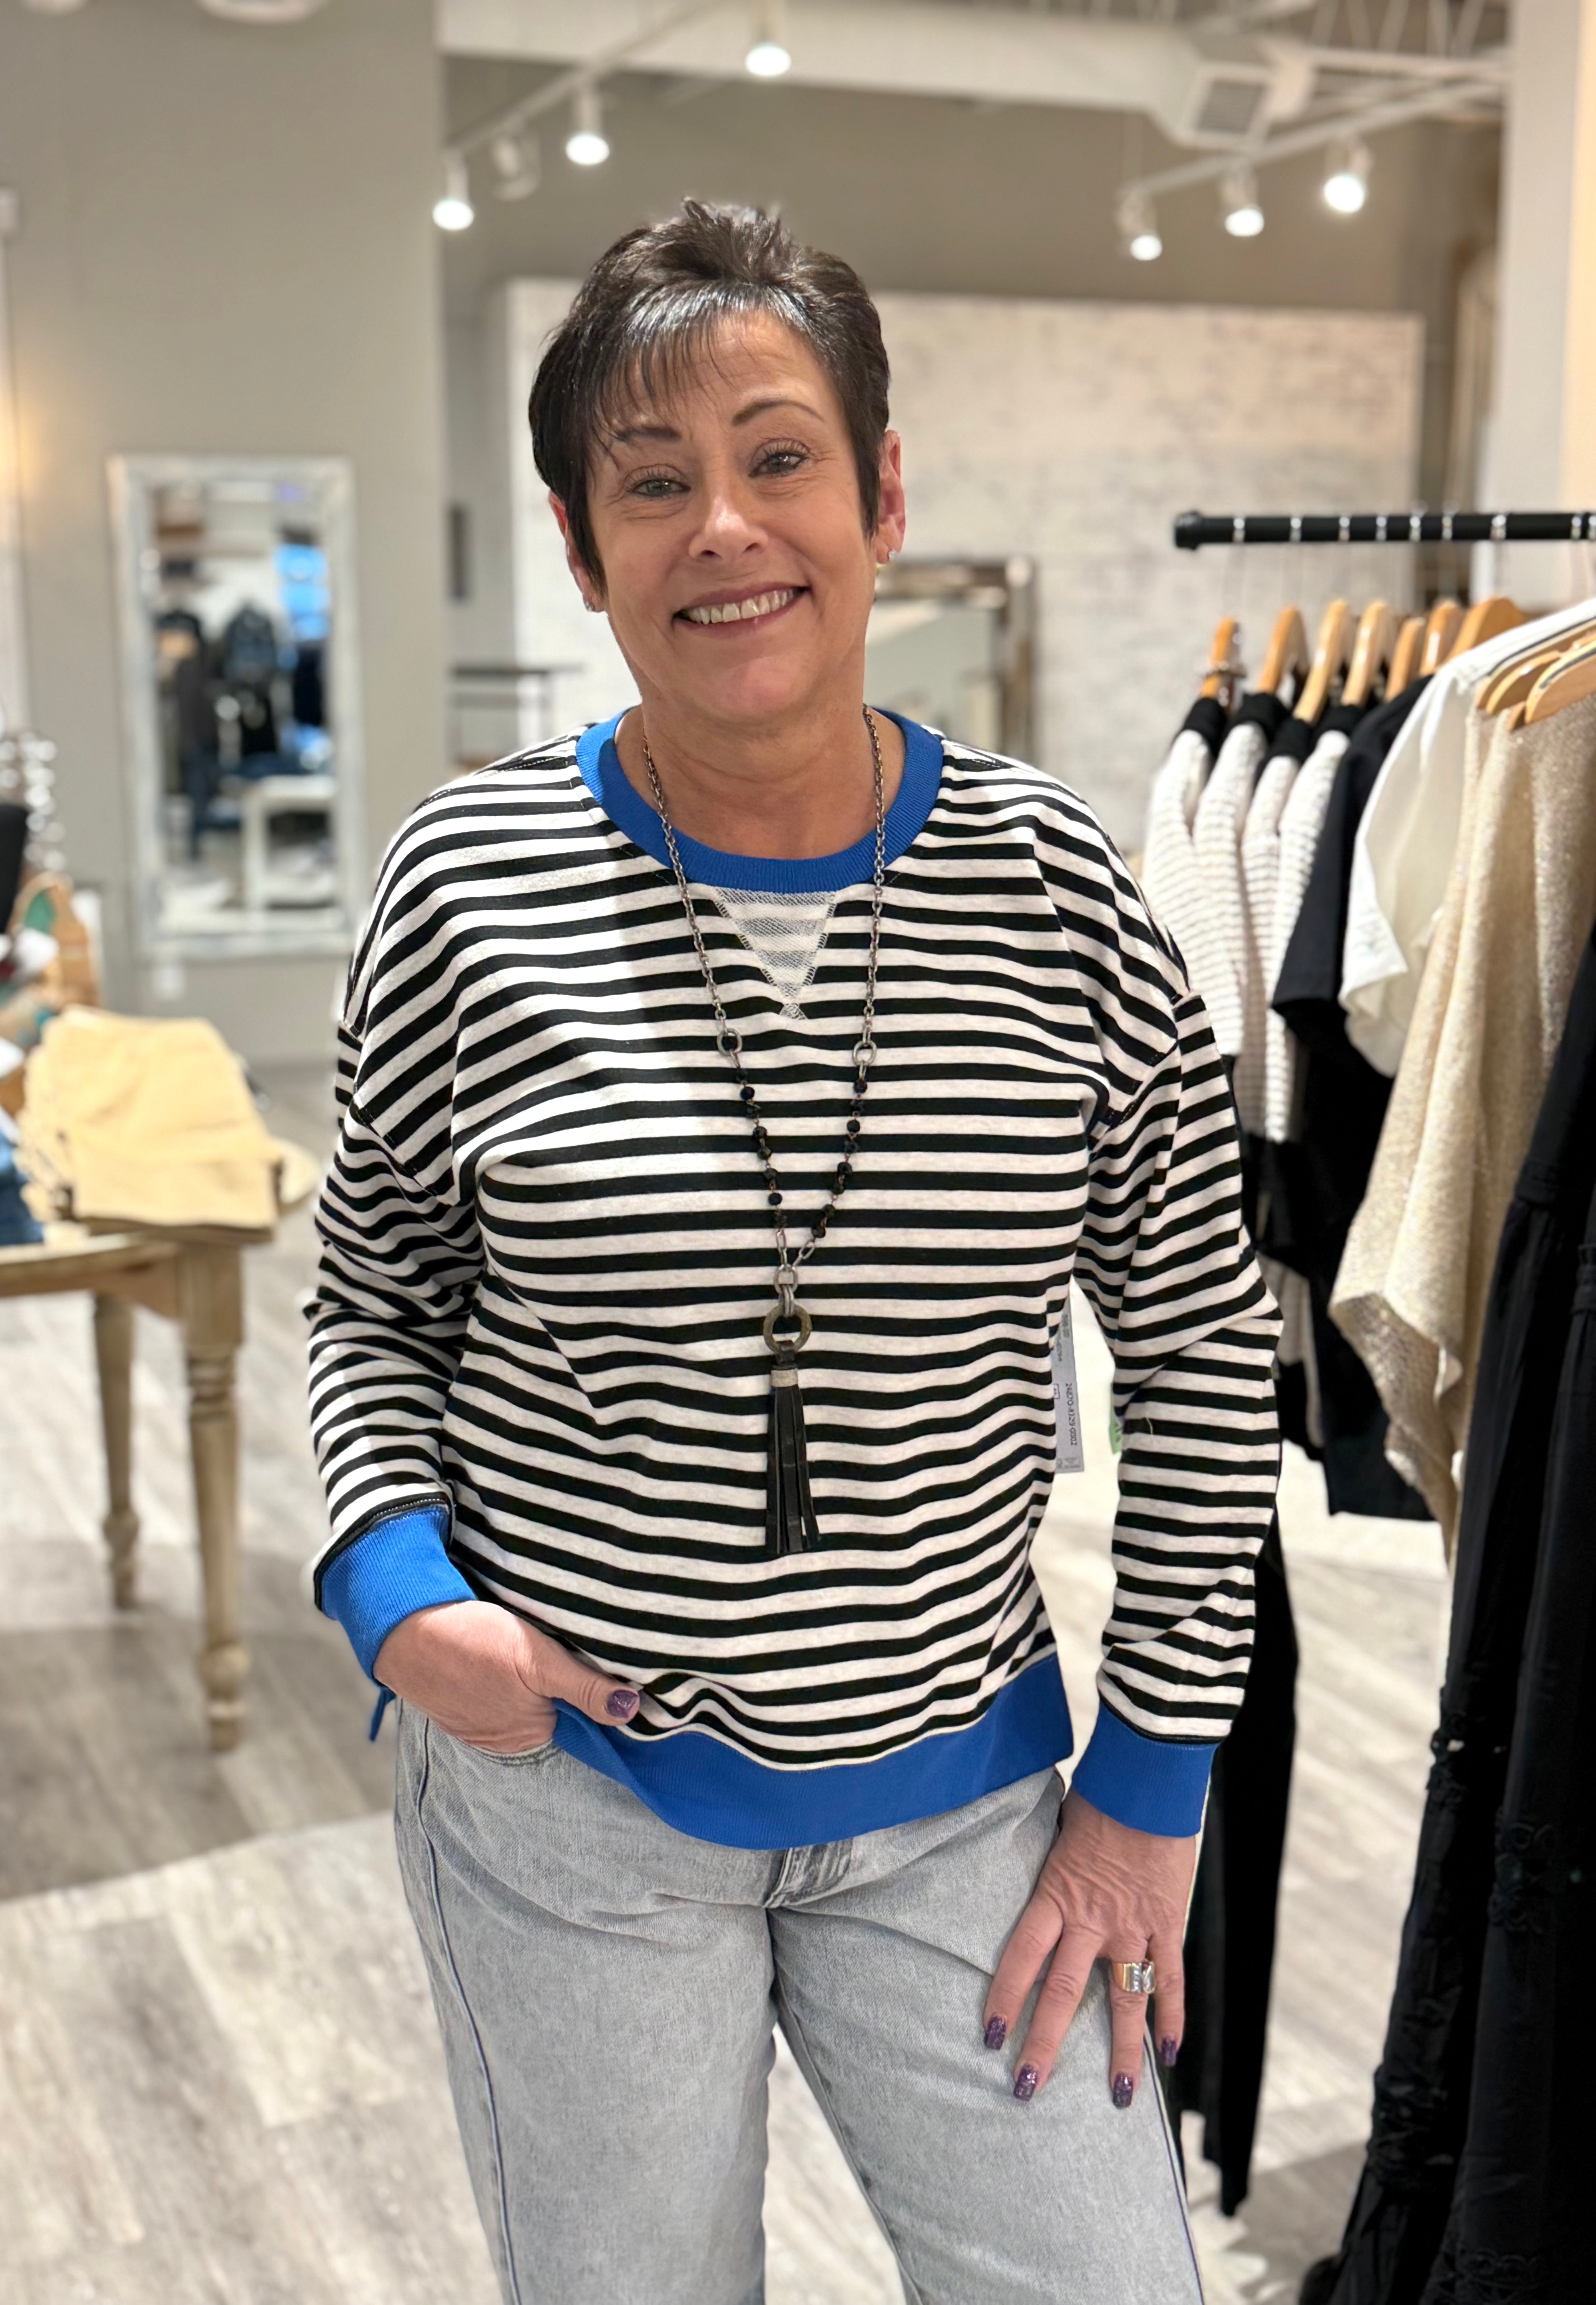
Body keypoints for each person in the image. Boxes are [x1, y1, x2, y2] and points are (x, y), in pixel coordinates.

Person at [307, 200, 1279, 2304]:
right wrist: (396, 1595)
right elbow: (374, 1296)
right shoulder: (469, 884)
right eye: (652, 482)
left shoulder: (1063, 892)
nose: (725, 528)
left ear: (883, 497)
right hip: (567, 1791)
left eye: (778, 457)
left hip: (970, 1794)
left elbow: (1203, 1343)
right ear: (585, 552)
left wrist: (1151, 1781)